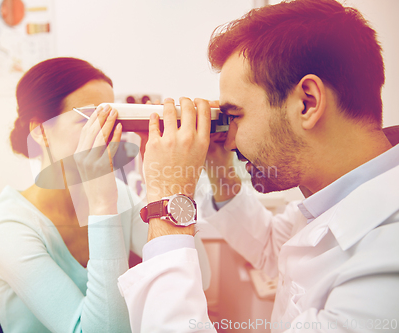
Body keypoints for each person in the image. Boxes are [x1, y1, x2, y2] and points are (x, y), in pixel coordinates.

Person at [117, 0, 399, 332]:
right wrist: (217, 164)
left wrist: (168, 202)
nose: (230, 140)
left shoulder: (386, 261)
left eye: (235, 116)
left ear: (307, 102)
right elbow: (269, 248)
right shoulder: (332, 197)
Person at [0, 57, 211, 332]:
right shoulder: (7, 226)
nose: (107, 136)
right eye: (90, 120)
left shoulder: (120, 195)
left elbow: (201, 277)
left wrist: (168, 183)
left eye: (113, 120)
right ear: (40, 130)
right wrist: (103, 205)